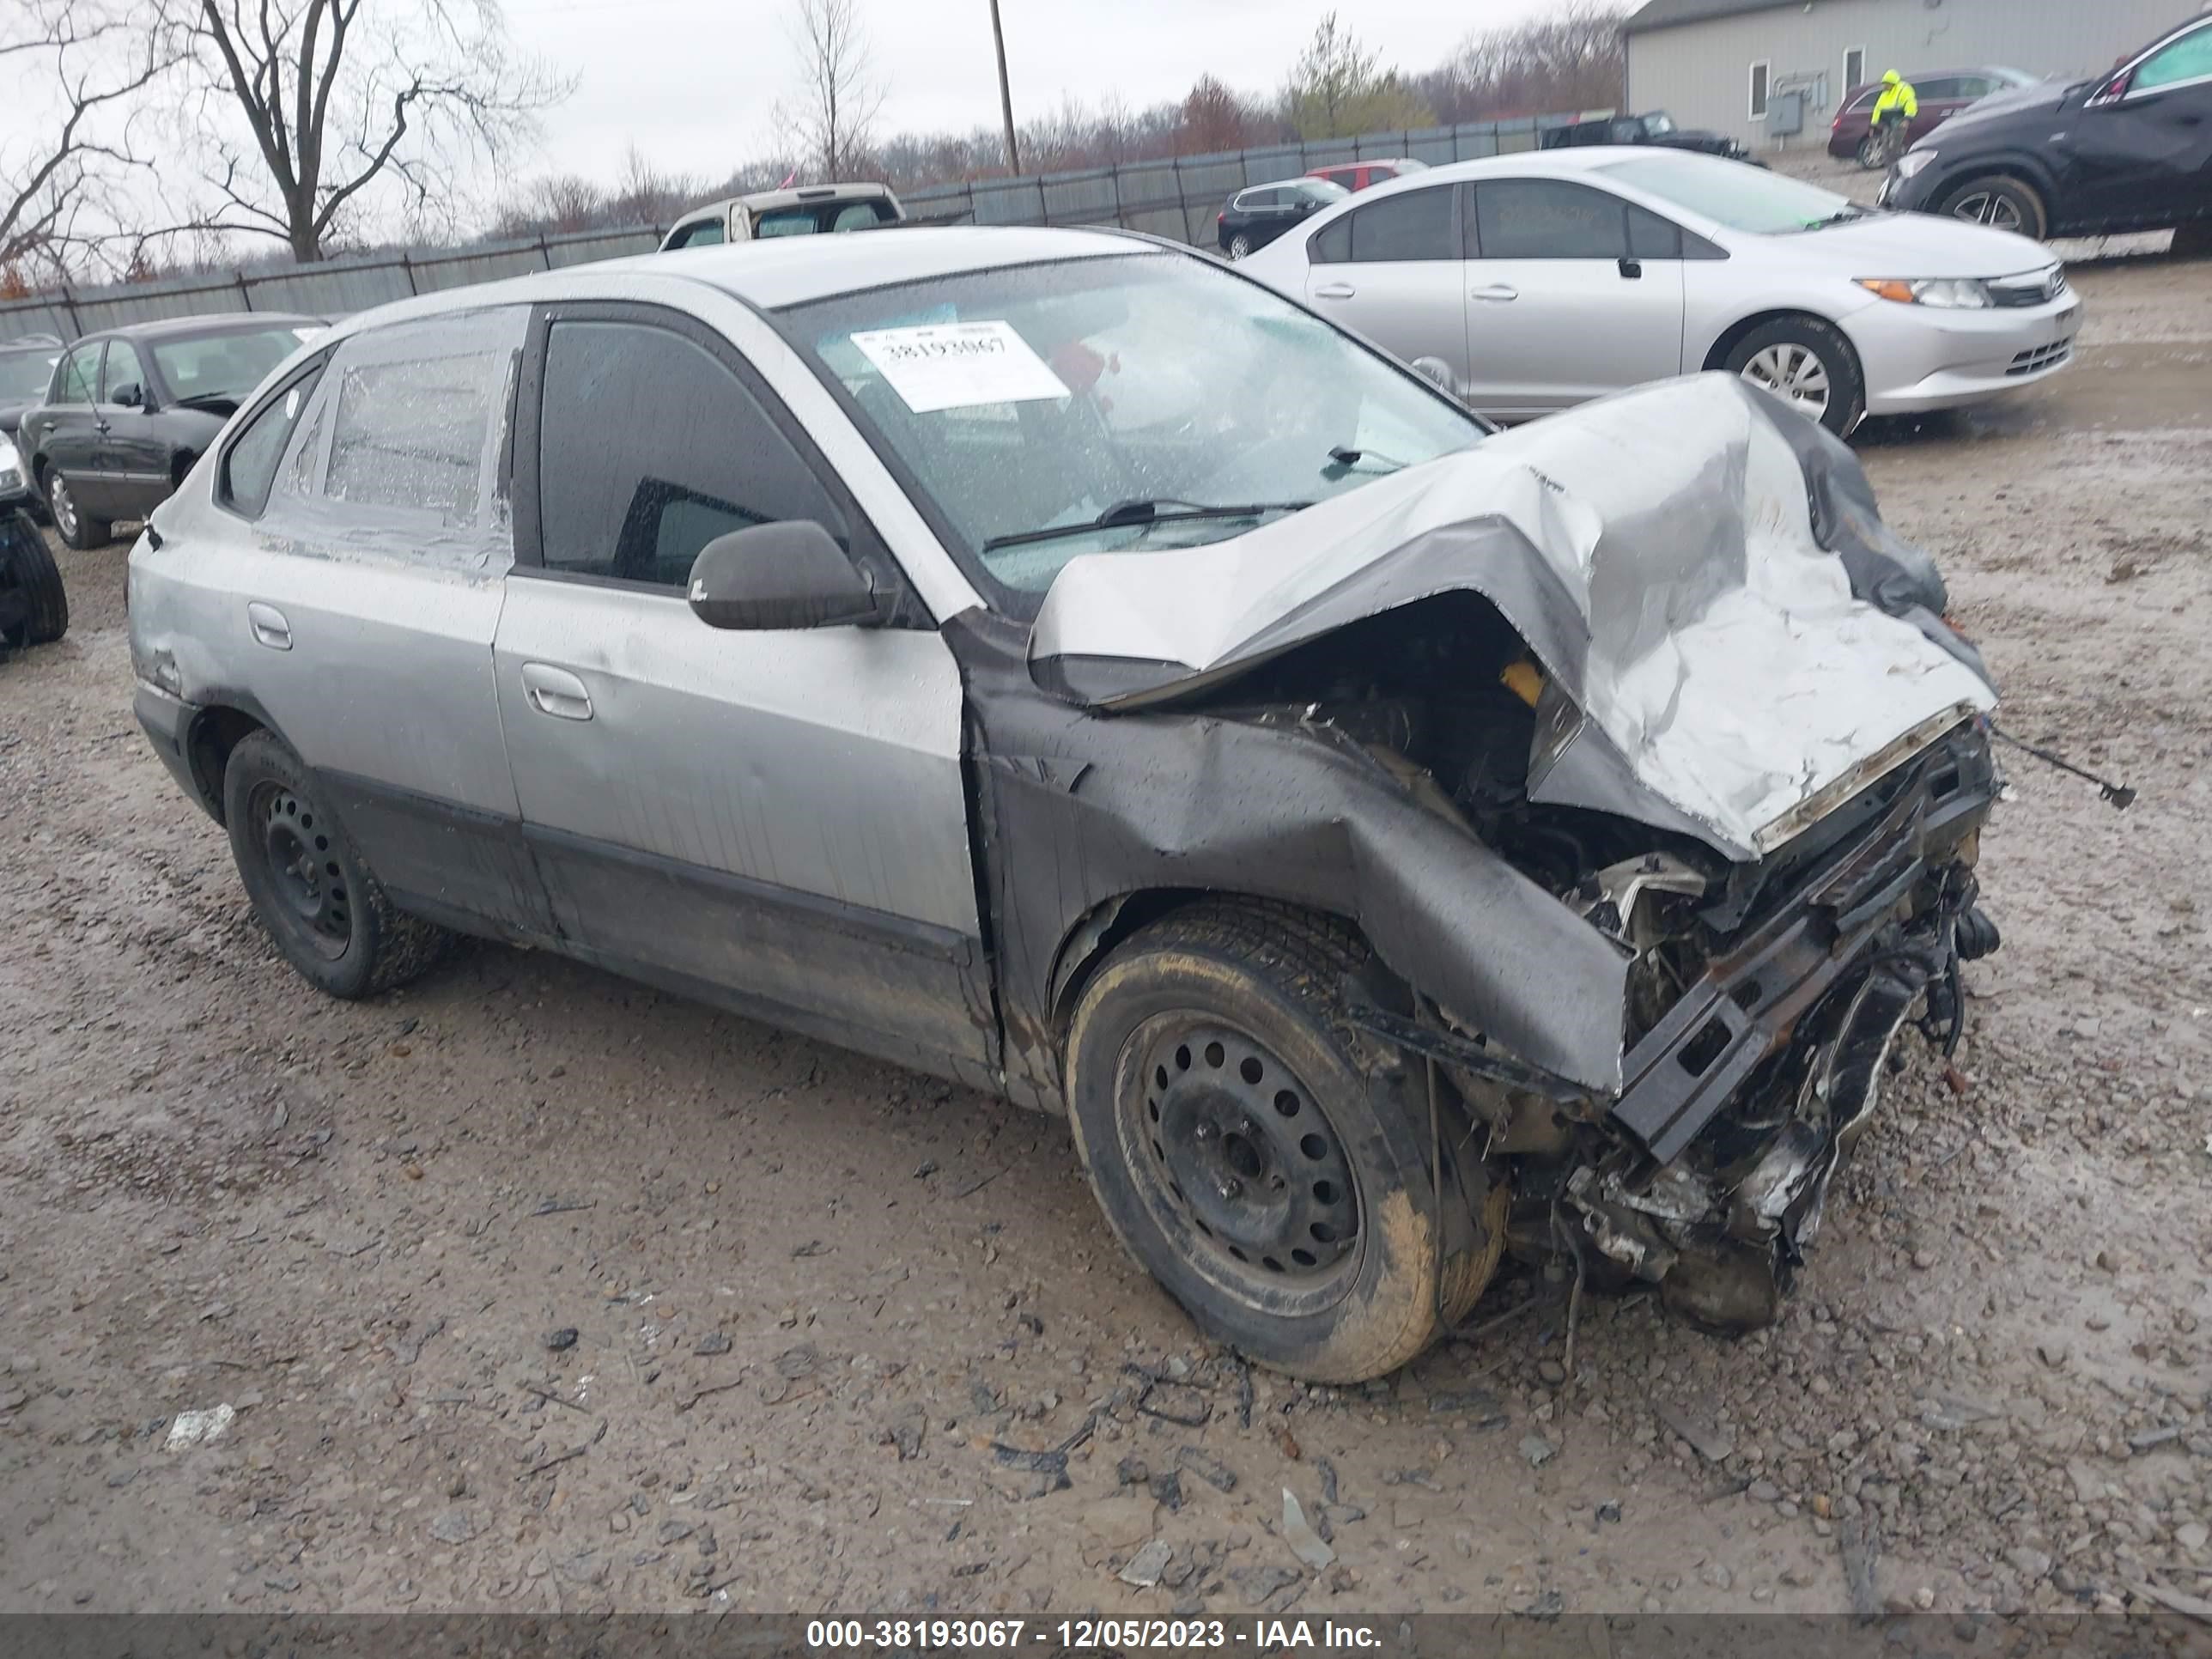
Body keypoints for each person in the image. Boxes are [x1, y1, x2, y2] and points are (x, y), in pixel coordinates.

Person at [1869, 70, 1919, 168]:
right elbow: (1877, 109)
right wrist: (1873, 125)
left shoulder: (1904, 89)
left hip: (1899, 122)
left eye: (1886, 84)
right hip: (1888, 124)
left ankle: (1898, 170)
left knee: (1895, 148)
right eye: (1884, 84)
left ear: (1892, 83)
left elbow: (1911, 104)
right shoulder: (1884, 94)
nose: (1884, 86)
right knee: (1885, 149)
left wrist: (1907, 119)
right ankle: (1891, 171)